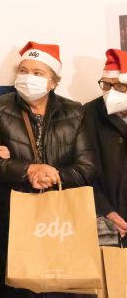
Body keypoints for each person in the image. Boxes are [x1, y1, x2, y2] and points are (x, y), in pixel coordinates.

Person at [0, 41, 96, 298]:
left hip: (62, 220)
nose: (28, 77)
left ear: (53, 82)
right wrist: (28, 169)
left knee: (64, 286)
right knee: (20, 287)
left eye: (38, 73)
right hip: (13, 217)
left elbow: (86, 168)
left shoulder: (75, 112)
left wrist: (52, 175)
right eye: (23, 70)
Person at [83, 48, 127, 246]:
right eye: (106, 85)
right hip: (108, 220)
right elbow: (84, 171)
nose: (111, 92)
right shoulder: (89, 113)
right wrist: (106, 210)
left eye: (120, 86)